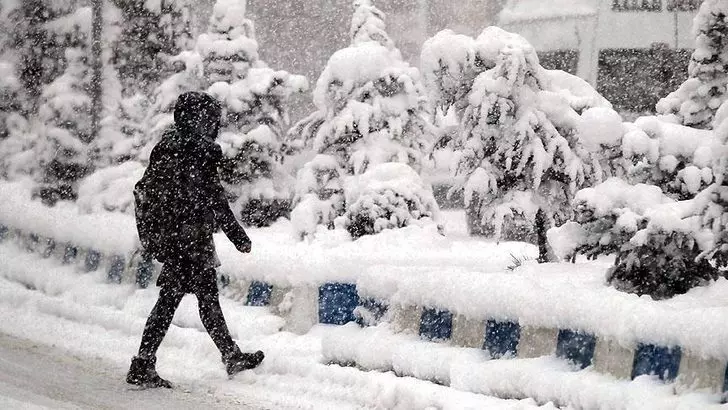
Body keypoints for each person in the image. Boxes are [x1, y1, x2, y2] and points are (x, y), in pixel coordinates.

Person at [127, 92, 264, 388]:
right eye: (209, 119)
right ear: (197, 119)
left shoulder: (169, 146)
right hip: (188, 241)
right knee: (179, 301)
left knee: (198, 298)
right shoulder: (194, 151)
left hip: (178, 239)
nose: (213, 125)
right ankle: (144, 362)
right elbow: (214, 198)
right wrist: (238, 236)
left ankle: (228, 355)